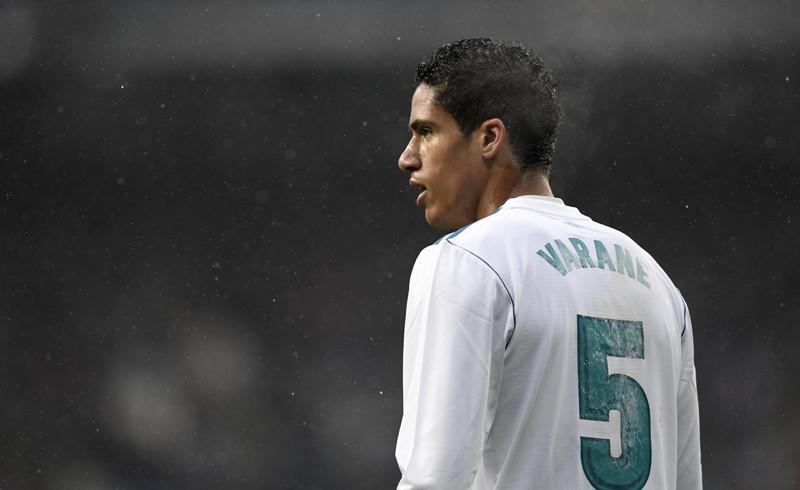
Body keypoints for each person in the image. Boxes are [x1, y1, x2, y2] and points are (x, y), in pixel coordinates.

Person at [394, 38, 701, 489]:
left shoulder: (466, 262)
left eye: (425, 131)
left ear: (488, 138)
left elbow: (435, 479)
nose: (407, 157)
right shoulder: (657, 282)